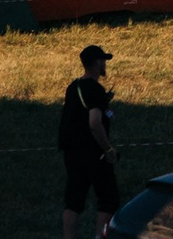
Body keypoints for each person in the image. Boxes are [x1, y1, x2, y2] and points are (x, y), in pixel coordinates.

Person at [58, 44, 121, 239]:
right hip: (94, 154)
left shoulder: (73, 87)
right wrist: (108, 149)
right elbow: (94, 123)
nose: (105, 65)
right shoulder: (94, 89)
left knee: (73, 202)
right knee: (108, 200)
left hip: (72, 153)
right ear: (95, 63)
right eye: (103, 61)